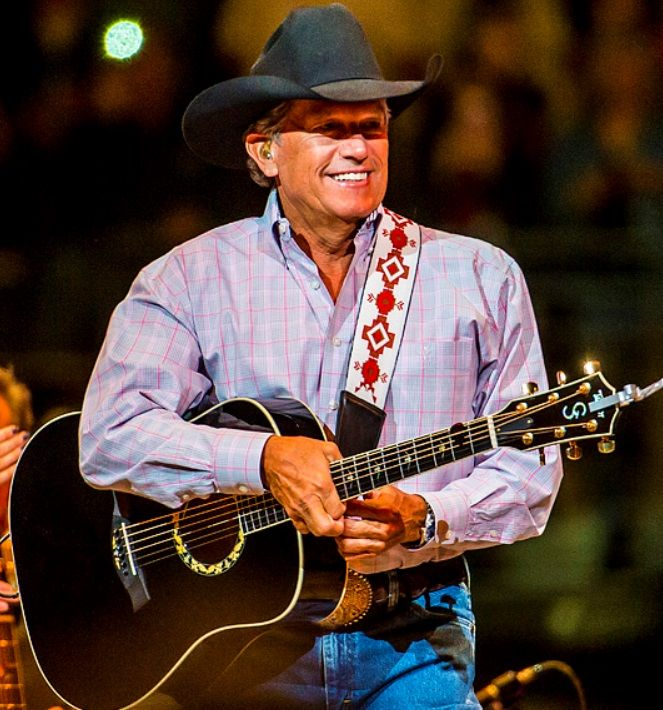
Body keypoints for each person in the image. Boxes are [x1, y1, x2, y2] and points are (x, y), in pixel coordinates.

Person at [80, 4, 563, 708]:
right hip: (233, 635)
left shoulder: (481, 277)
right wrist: (262, 460)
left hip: (414, 629)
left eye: (372, 127)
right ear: (264, 151)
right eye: (330, 128)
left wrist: (425, 516)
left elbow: (530, 470)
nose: (358, 148)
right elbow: (108, 437)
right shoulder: (185, 278)